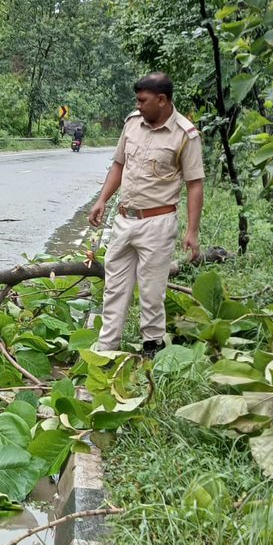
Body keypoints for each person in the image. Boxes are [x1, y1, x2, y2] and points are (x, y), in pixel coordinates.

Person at [87, 72, 204, 357]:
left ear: (162, 100)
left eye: (143, 100)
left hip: (158, 223)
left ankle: (152, 348)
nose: (138, 105)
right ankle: (106, 349)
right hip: (124, 219)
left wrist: (192, 231)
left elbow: (195, 184)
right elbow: (118, 164)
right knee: (114, 288)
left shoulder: (185, 135)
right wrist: (103, 199)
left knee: (152, 293)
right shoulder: (131, 124)